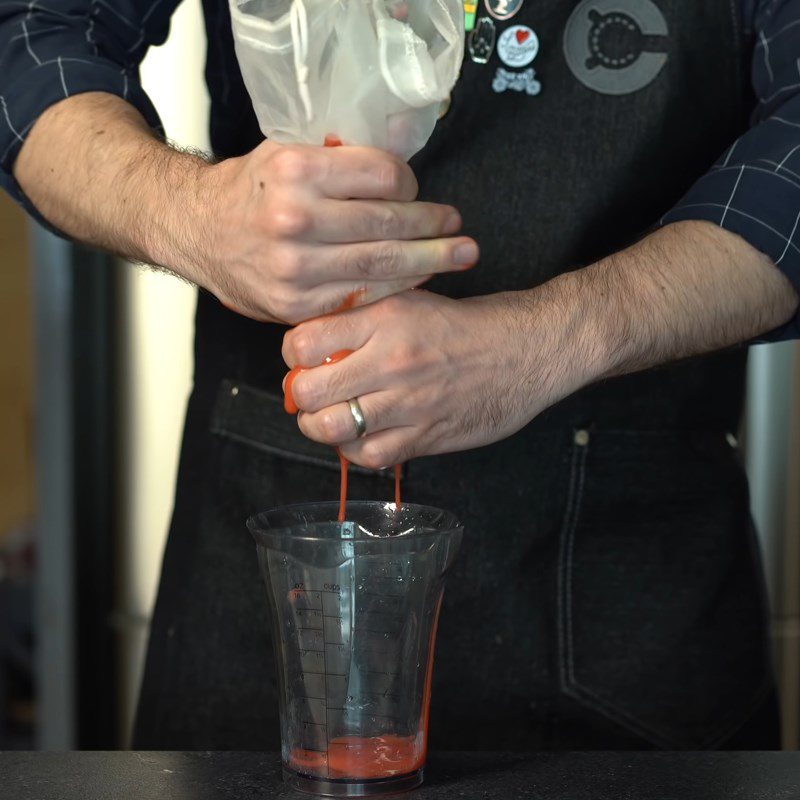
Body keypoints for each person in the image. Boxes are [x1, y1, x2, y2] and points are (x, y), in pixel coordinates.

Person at [1, 0, 799, 752]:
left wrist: (556, 337)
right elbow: (30, 34)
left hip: (628, 615)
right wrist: (193, 212)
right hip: (256, 604)